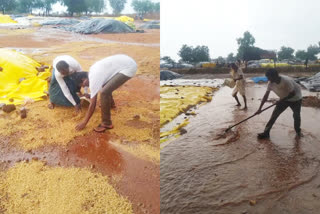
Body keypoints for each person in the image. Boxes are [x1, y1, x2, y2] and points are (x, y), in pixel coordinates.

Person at [75, 54, 137, 132]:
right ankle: (111, 104)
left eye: (83, 85)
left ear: (84, 79)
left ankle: (106, 123)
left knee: (104, 93)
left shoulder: (94, 78)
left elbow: (92, 104)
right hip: (125, 61)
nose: (85, 87)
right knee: (105, 88)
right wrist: (91, 94)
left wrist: (84, 122)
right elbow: (100, 86)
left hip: (128, 67)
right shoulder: (92, 72)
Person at [255, 69, 302, 139]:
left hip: (296, 99)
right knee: (274, 115)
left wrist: (281, 100)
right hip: (284, 99)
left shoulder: (286, 81)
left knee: (296, 115)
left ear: (275, 76)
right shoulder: (270, 83)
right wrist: (259, 109)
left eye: (269, 77)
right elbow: (265, 96)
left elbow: (293, 94)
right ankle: (266, 133)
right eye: (267, 77)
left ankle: (298, 132)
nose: (268, 79)